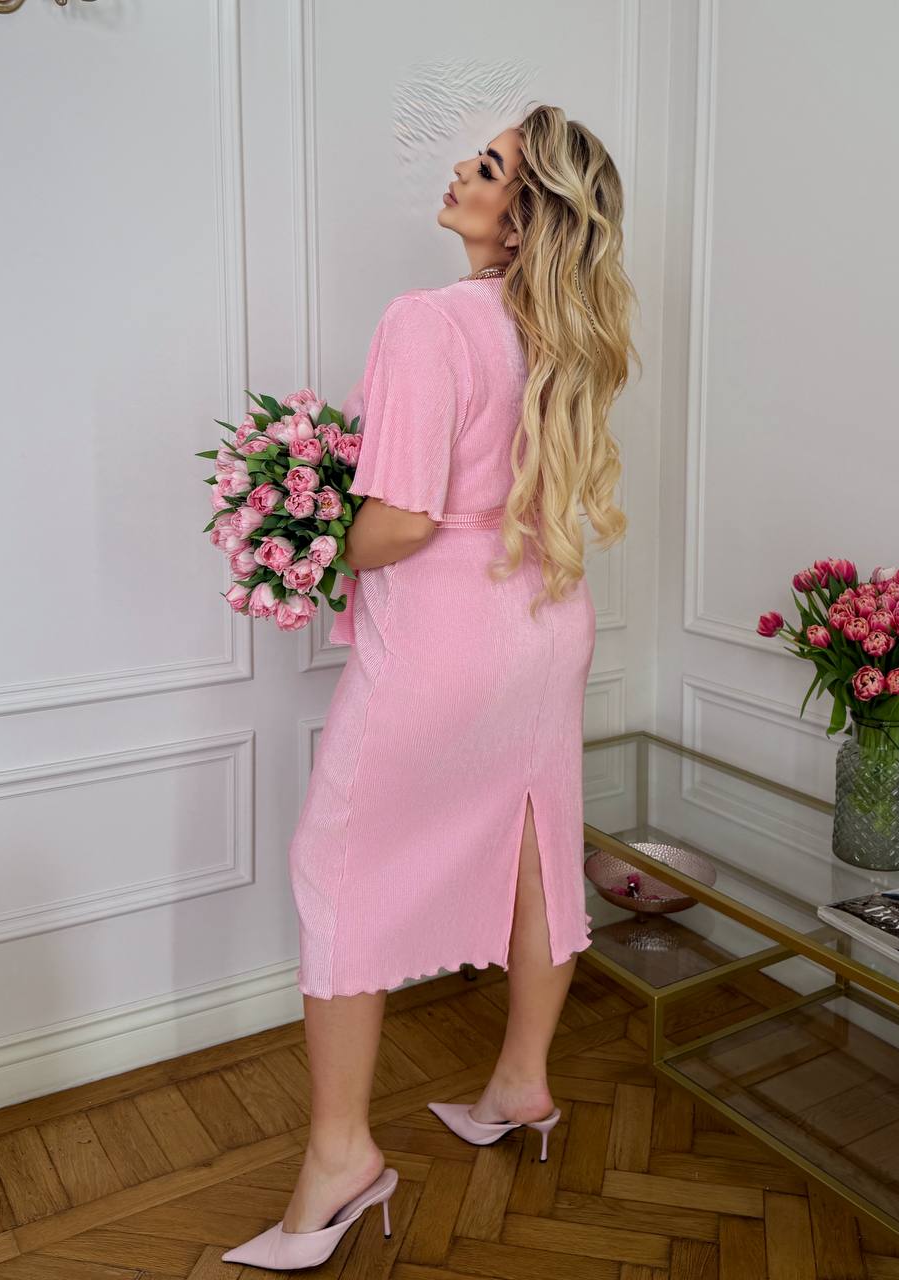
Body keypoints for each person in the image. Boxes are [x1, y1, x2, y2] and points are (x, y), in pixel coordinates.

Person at [222, 101, 639, 1270]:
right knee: (537, 842)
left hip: (443, 644)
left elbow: (400, 522)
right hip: (548, 623)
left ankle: (340, 1155)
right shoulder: (565, 335)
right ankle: (522, 1082)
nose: (461, 168)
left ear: (525, 217)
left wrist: (300, 537)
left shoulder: (427, 320)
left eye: (490, 164)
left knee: (333, 866)